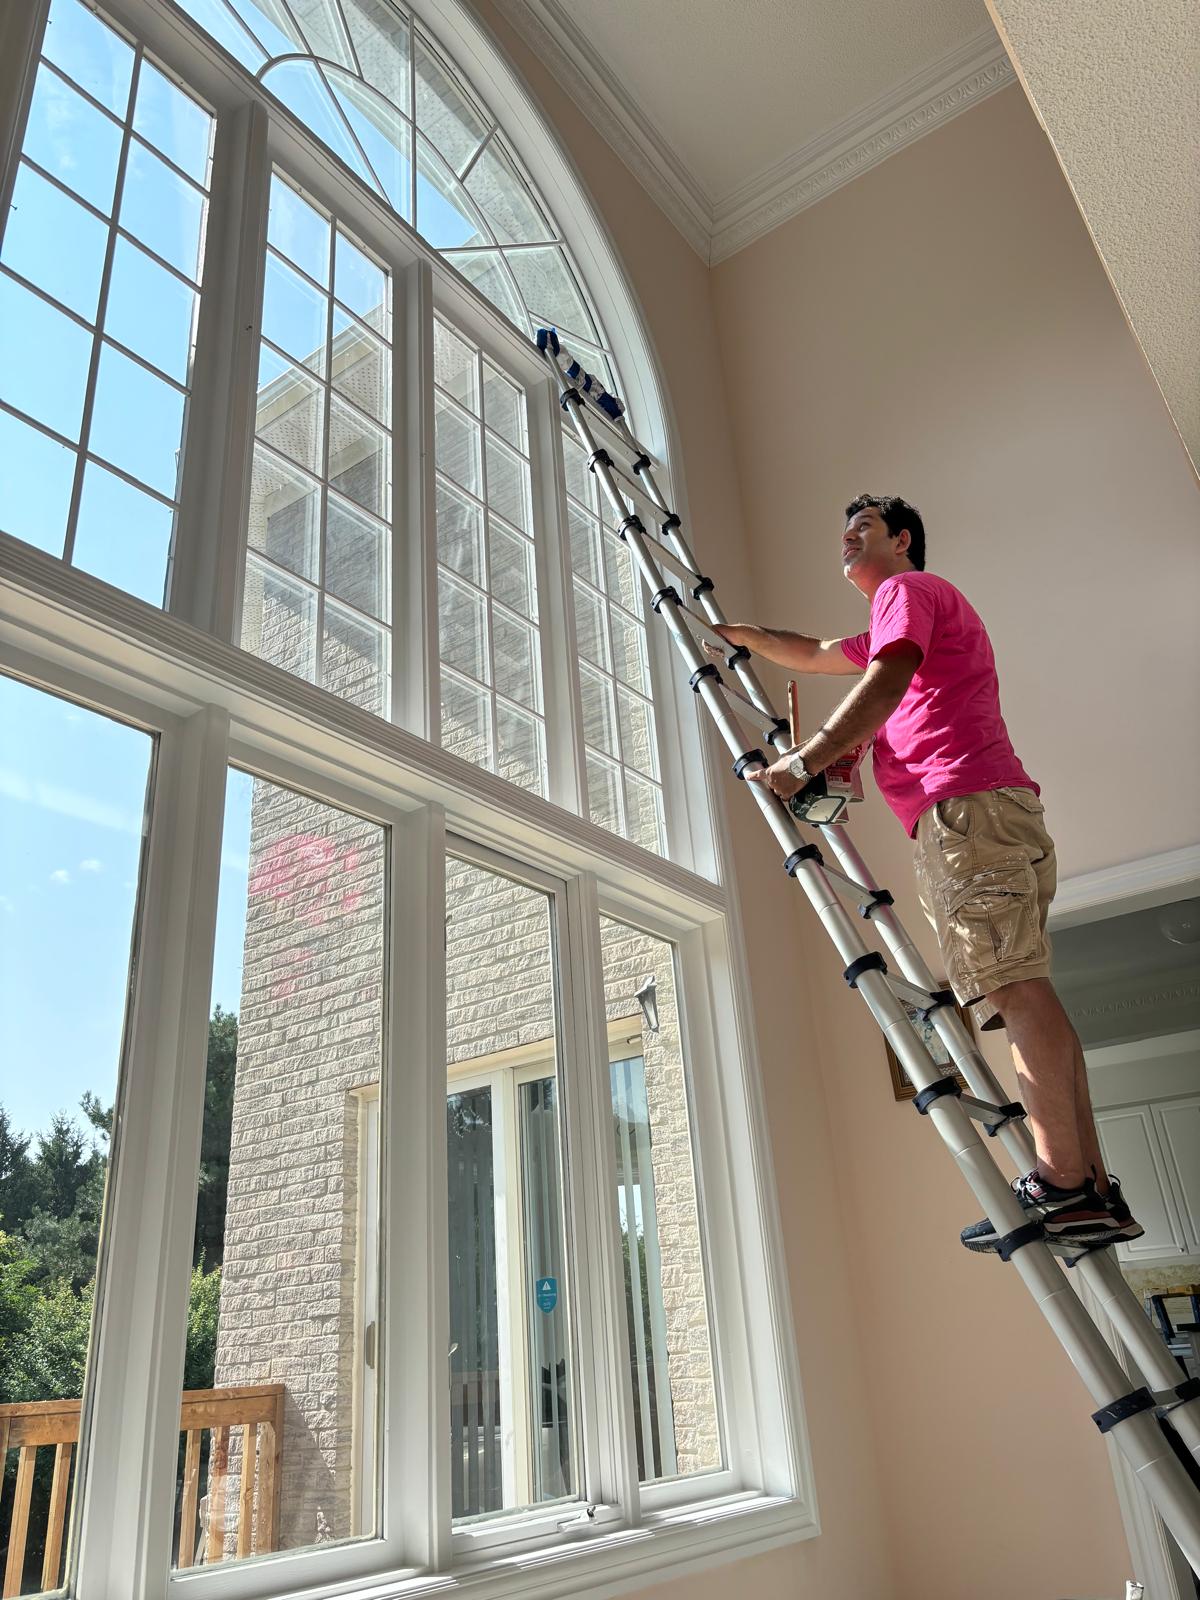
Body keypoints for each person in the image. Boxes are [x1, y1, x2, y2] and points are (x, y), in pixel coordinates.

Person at [711, 493, 1142, 1250]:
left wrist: (807, 759)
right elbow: (810, 650)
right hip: (987, 812)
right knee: (1025, 986)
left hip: (964, 811)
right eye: (843, 528)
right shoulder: (899, 610)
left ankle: (1066, 1185)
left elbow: (890, 673)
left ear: (904, 540)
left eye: (865, 528)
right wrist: (739, 635)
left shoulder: (907, 594)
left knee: (1010, 986)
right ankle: (1091, 1189)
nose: (848, 537)